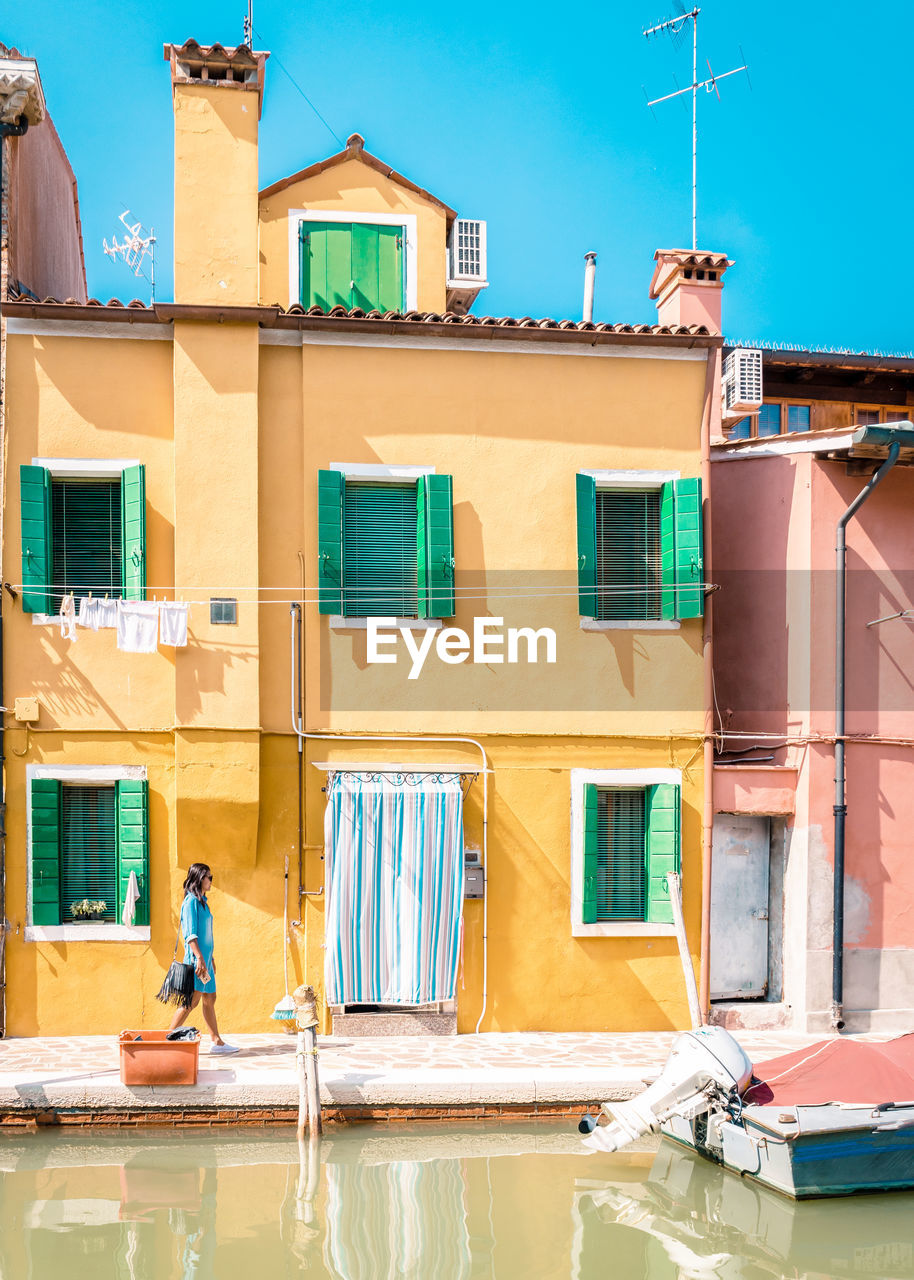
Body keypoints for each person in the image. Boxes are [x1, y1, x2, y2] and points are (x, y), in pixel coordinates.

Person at [169, 863, 239, 1055]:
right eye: (209, 877)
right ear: (199, 878)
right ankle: (167, 1040)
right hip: (197, 962)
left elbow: (206, 933)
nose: (211, 881)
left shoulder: (202, 902)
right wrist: (199, 958)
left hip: (205, 961)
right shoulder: (190, 902)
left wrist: (210, 957)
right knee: (191, 1002)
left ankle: (217, 1042)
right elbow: (190, 934)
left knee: (210, 997)